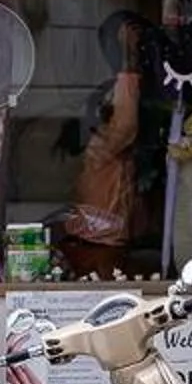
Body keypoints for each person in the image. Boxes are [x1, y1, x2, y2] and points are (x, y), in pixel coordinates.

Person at [50, 16, 148, 279]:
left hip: (100, 232)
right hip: (97, 233)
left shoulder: (102, 145)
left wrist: (128, 61)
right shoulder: (102, 145)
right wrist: (128, 60)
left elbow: (124, 123)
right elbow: (123, 124)